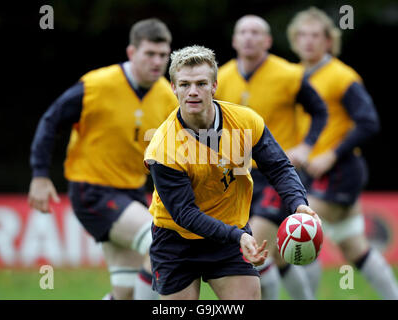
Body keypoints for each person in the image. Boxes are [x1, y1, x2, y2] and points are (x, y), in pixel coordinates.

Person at [143, 45, 320, 300]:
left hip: (229, 235)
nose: (193, 92)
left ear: (215, 85)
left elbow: (278, 166)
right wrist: (237, 237)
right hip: (176, 239)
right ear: (173, 87)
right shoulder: (162, 147)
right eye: (184, 84)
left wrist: (298, 204)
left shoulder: (246, 121)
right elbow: (185, 214)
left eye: (201, 83)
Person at [28, 18, 178, 300]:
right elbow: (51, 121)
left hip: (132, 193)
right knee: (162, 243)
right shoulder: (97, 85)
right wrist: (39, 174)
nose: (157, 61)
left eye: (163, 55)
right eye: (150, 54)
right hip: (92, 190)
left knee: (127, 292)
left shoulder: (167, 98)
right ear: (132, 53)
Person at [287, 7, 398, 299]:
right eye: (302, 35)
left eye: (315, 35)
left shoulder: (341, 76)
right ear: (294, 40)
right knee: (355, 248)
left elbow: (369, 121)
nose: (308, 41)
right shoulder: (294, 76)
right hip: (312, 172)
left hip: (341, 170)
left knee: (301, 228)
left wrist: (332, 154)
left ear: (328, 41)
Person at [215, 15, 328, 299]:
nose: (249, 37)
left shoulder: (290, 74)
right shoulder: (220, 78)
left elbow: (320, 110)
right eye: (243, 32)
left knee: (254, 247)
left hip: (277, 174)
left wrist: (306, 146)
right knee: (274, 256)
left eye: (256, 32)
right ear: (234, 40)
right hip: (238, 176)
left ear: (267, 41)